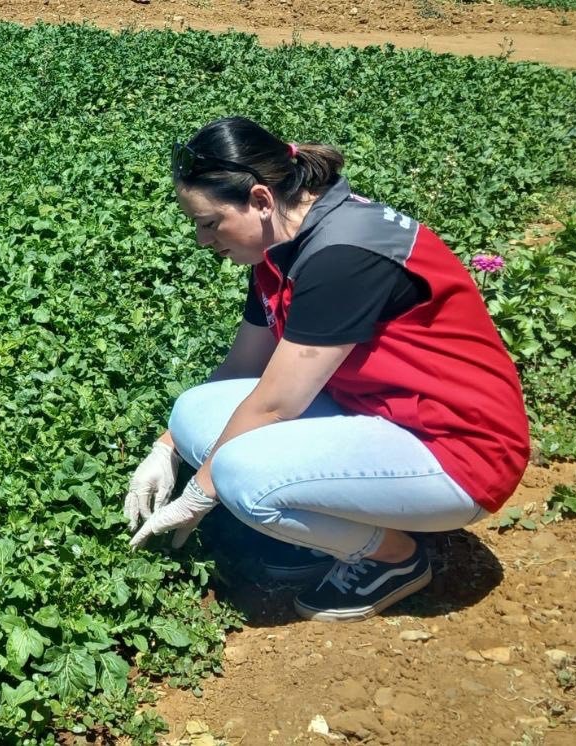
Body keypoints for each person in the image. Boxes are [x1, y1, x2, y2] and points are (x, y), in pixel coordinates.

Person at [122, 116, 530, 622]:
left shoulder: (341, 257)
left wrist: (200, 492)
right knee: (192, 413)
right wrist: (167, 446)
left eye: (209, 223)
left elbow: (276, 405)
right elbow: (243, 367)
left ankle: (393, 559)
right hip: (386, 416)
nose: (204, 241)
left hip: (459, 453)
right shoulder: (284, 242)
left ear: (260, 200)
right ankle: (329, 522)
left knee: (241, 477)